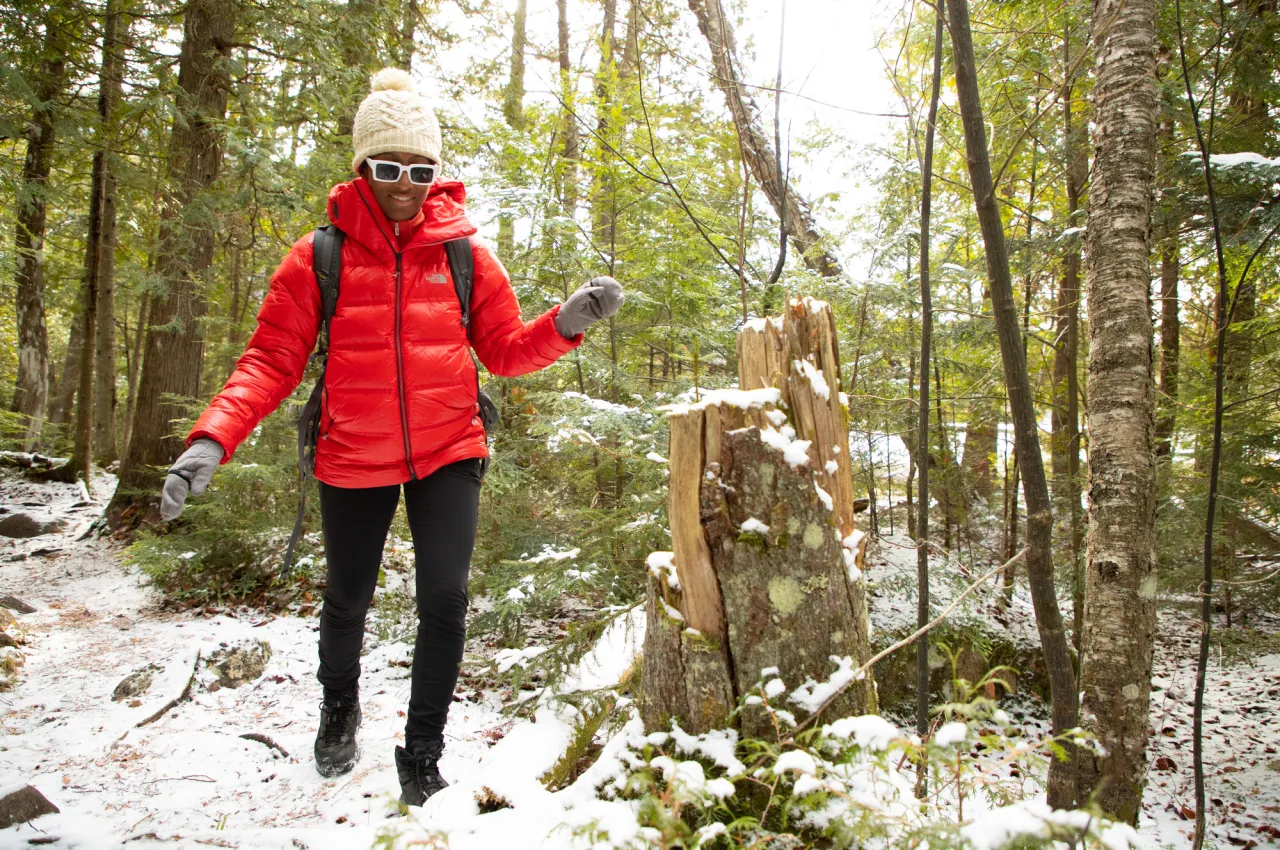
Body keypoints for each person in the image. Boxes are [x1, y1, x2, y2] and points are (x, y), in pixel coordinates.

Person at [156, 68, 623, 806]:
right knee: (348, 598)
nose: (404, 183)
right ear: (362, 168)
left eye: (419, 169)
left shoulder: (467, 255)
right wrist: (213, 439)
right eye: (387, 167)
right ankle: (338, 712)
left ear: (437, 173)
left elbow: (503, 351)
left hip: (449, 449)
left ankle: (423, 751)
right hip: (354, 452)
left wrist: (563, 326)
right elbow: (270, 361)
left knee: (444, 596)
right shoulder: (320, 256)